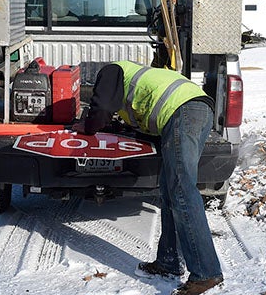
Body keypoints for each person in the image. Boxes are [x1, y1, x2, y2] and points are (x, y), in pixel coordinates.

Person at [74, 61, 223, 295]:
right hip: (195, 110)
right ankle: (168, 262)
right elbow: (143, 118)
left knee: (182, 191)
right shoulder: (136, 84)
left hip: (183, 111)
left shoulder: (111, 70)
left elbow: (101, 109)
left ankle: (206, 272)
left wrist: (88, 127)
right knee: (170, 191)